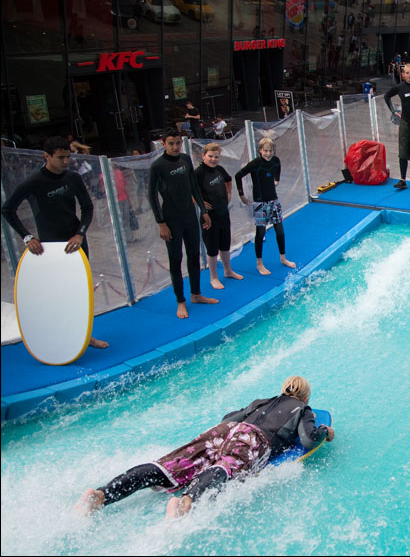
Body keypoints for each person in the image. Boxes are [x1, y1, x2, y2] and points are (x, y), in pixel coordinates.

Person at [74, 376, 335, 519]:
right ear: (306, 396)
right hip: (254, 440)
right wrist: (325, 432)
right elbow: (308, 440)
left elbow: (228, 419)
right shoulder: (303, 408)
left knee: (167, 466)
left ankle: (101, 494)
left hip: (222, 432)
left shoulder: (260, 401)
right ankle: (186, 502)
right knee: (226, 466)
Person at [1, 136, 108, 349]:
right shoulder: (34, 182)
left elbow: (87, 208)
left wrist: (80, 234)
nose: (66, 161)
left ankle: (85, 337)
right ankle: (62, 337)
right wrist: (27, 236)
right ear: (47, 156)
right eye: (60, 158)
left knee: (80, 293)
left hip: (76, 244)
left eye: (68, 157)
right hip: (50, 249)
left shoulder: (73, 178)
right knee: (58, 295)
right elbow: (7, 209)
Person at [148, 128, 219, 319]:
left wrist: (203, 212)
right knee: (176, 259)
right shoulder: (158, 166)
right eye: (171, 143)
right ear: (163, 144)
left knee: (194, 255)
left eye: (177, 143)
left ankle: (196, 294)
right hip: (171, 219)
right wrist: (161, 222)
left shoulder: (186, 159)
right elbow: (152, 196)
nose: (175, 147)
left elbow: (193, 187)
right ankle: (181, 301)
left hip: (189, 215)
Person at [236, 136, 295, 275]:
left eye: (270, 150)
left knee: (280, 230)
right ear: (260, 151)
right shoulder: (255, 164)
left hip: (273, 200)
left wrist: (277, 180)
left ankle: (283, 258)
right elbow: (238, 175)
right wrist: (242, 195)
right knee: (260, 232)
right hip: (260, 203)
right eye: (265, 151)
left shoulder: (275, 161)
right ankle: (259, 263)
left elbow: (277, 171)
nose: (268, 153)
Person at [195, 143, 243, 290]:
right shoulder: (198, 173)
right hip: (209, 217)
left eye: (216, 157)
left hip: (223, 213)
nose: (213, 159)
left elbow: (229, 180)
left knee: (225, 245)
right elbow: (189, 191)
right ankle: (213, 277)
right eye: (210, 156)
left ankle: (228, 270)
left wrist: (229, 193)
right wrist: (200, 203)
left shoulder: (219, 169)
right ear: (203, 156)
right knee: (212, 248)